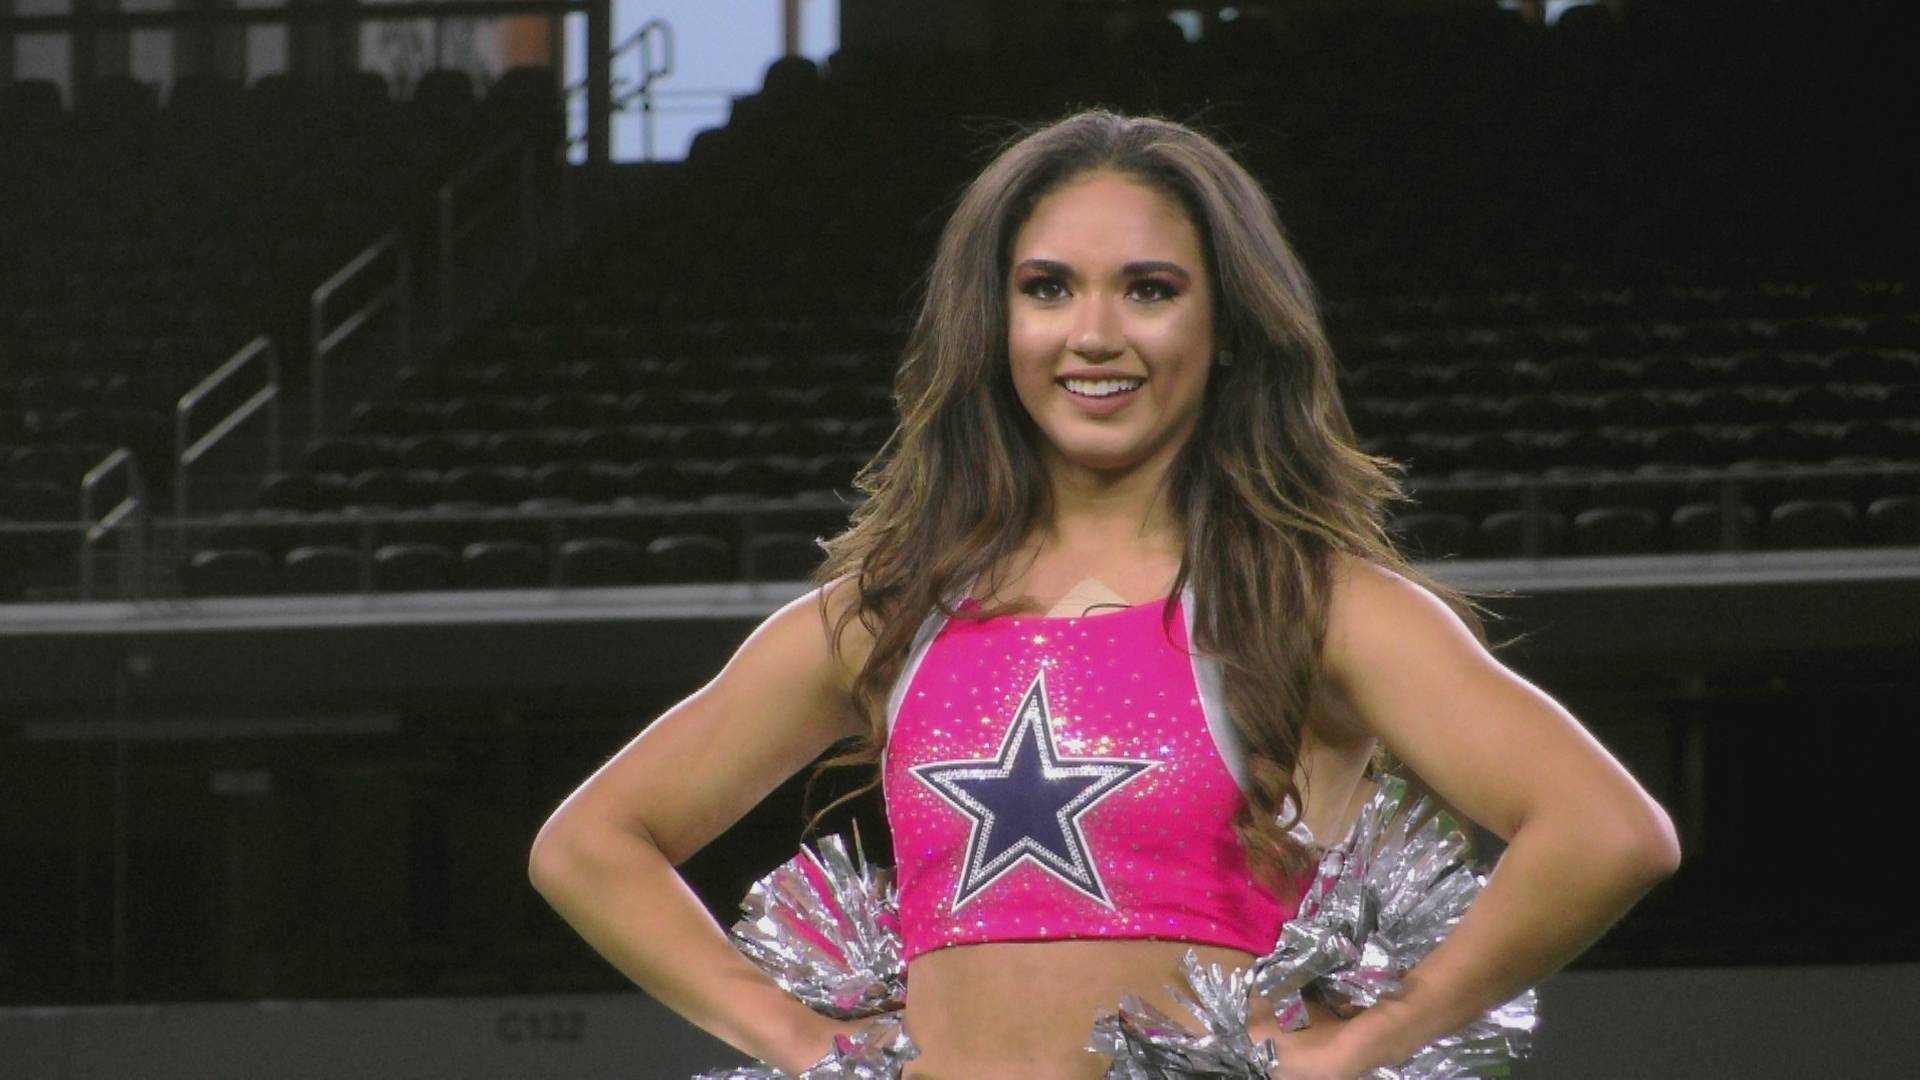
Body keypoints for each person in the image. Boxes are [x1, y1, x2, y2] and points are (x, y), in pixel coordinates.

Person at [528, 109, 1681, 1079]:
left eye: (1149, 289)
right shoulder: (889, 616)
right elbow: (590, 845)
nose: (1093, 334)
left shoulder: (1317, 605)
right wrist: (803, 1039)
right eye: (1047, 288)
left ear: (1226, 326)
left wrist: (1364, 1045)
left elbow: (1606, 831)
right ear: (999, 324)